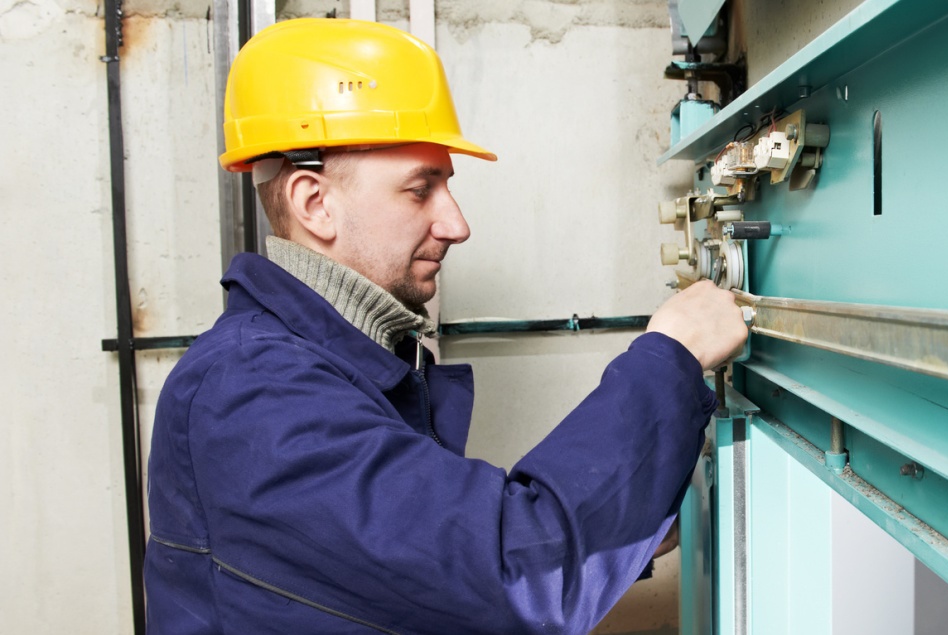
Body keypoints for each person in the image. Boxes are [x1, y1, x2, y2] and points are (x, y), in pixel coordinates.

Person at [144, 18, 748, 634]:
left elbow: (411, 583)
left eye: (447, 187)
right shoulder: (251, 393)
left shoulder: (336, 365)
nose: (456, 224)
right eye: (419, 190)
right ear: (314, 203)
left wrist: (622, 533)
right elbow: (512, 578)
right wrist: (670, 356)